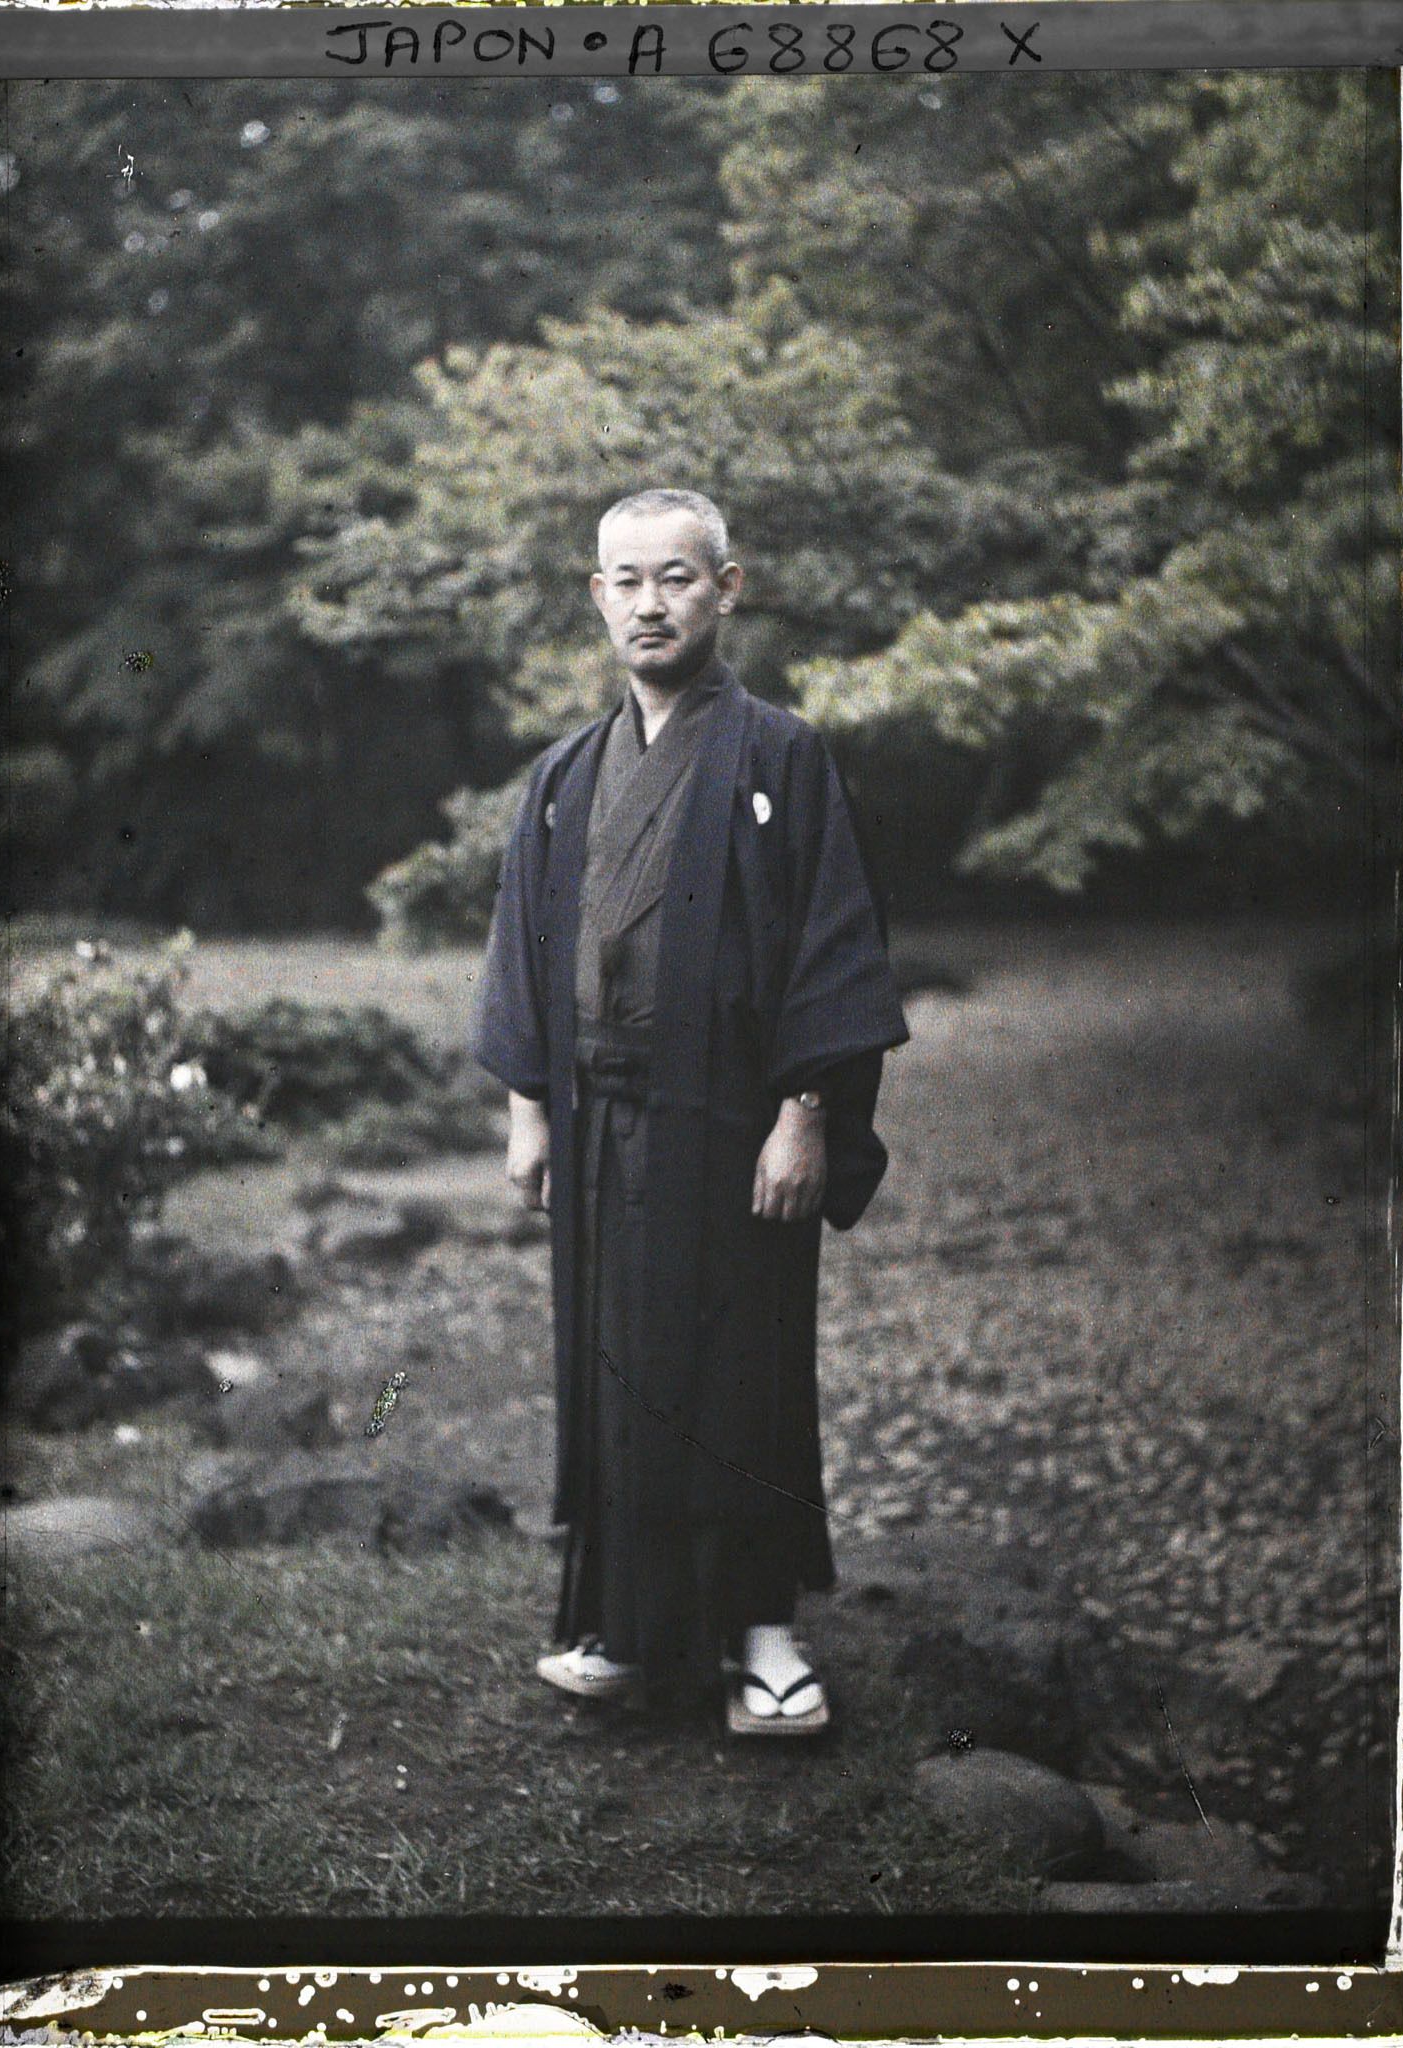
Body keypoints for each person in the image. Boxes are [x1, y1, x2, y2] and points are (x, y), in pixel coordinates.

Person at [473, 488, 907, 1735]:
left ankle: (765, 1637)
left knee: (743, 1373)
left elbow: (834, 942)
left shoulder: (781, 754)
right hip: (601, 1119)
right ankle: (626, 1622)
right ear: (595, 595)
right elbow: (524, 952)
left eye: (677, 576)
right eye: (626, 579)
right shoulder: (564, 775)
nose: (650, 601)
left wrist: (806, 1110)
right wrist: (529, 1108)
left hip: (732, 1123)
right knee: (614, 1371)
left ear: (729, 587)